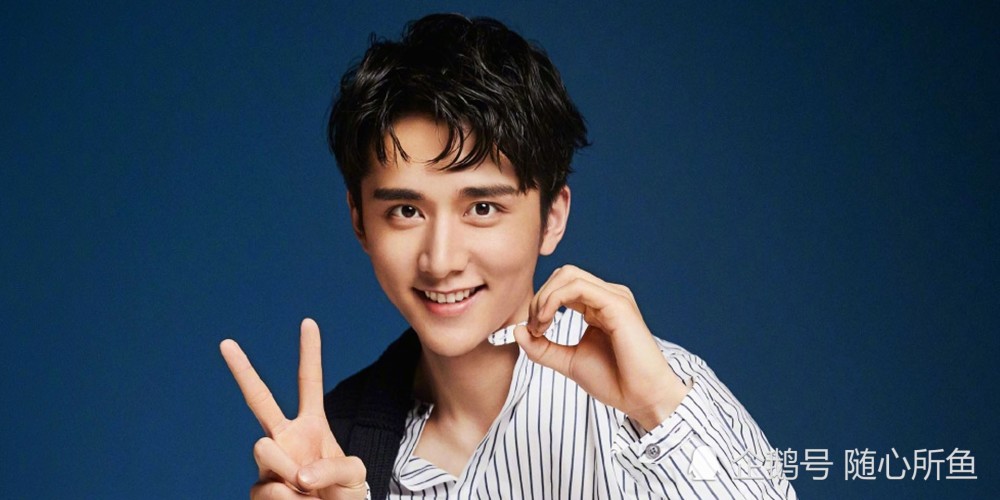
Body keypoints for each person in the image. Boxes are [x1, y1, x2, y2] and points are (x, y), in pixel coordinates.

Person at [221, 13, 797, 499]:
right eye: (406, 211)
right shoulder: (338, 447)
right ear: (359, 221)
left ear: (552, 217)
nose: (441, 259)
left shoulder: (659, 389)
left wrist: (659, 409)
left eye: (482, 208)